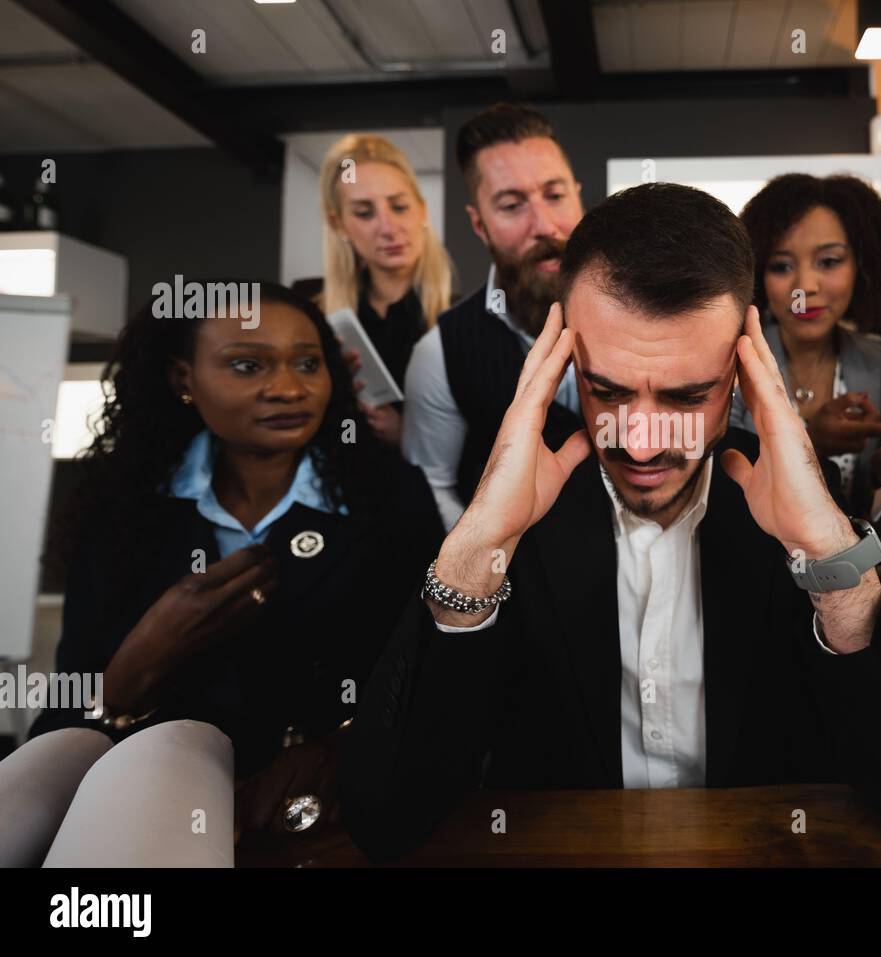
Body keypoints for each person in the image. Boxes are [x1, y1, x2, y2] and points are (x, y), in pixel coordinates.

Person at [341, 182, 881, 863]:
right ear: (562, 359)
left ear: (743, 365)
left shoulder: (795, 508)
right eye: (608, 390)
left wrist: (832, 559)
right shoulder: (519, 503)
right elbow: (385, 819)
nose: (643, 442)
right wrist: (477, 547)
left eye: (686, 396)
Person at [14, 282, 442, 862]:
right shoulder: (122, 511)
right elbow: (65, 721)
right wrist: (143, 656)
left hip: (325, 827)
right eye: (247, 365)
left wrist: (342, 744)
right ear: (183, 380)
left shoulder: (389, 498)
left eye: (308, 363)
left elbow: (432, 675)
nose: (289, 388)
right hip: (139, 806)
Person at [401, 103, 584, 530]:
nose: (544, 226)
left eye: (556, 196)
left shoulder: (648, 319)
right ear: (479, 224)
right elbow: (433, 487)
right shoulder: (439, 354)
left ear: (577, 195)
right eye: (511, 205)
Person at [730, 173, 881, 516]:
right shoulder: (737, 359)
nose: (805, 287)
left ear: (862, 264)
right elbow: (723, 488)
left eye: (828, 261)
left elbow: (862, 495)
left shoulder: (876, 357)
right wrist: (812, 444)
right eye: (781, 266)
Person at [319, 133, 454, 447]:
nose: (388, 227)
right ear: (337, 224)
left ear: (422, 211)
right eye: (365, 213)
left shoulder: (463, 321)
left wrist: (411, 434)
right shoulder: (317, 325)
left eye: (399, 206)